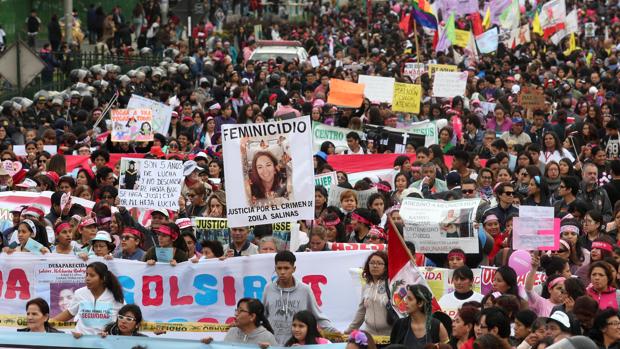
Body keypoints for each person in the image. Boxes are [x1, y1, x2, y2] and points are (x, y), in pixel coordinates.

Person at [262, 251, 338, 344]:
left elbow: (318, 316)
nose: (282, 272)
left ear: (294, 269)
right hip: (273, 344)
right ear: (275, 269)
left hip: (297, 344)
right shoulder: (268, 288)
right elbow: (262, 317)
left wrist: (336, 333)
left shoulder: (305, 290)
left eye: (286, 268)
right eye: (279, 268)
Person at [52, 262, 124, 336]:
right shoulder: (80, 293)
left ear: (103, 279)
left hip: (105, 342)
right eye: (86, 275)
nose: (87, 278)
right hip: (80, 341)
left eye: (92, 275)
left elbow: (124, 320)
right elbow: (69, 313)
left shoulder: (115, 297)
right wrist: (48, 324)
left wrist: (111, 332)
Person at [346, 251, 391, 336]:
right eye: (372, 263)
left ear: (385, 267)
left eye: (379, 263)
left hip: (390, 335)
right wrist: (349, 330)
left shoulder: (391, 284)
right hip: (370, 334)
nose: (375, 266)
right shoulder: (366, 285)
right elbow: (362, 311)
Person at [202, 298, 277, 346]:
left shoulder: (267, 337)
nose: (236, 314)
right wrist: (209, 345)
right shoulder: (232, 332)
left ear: (252, 317)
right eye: (237, 310)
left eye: (241, 311)